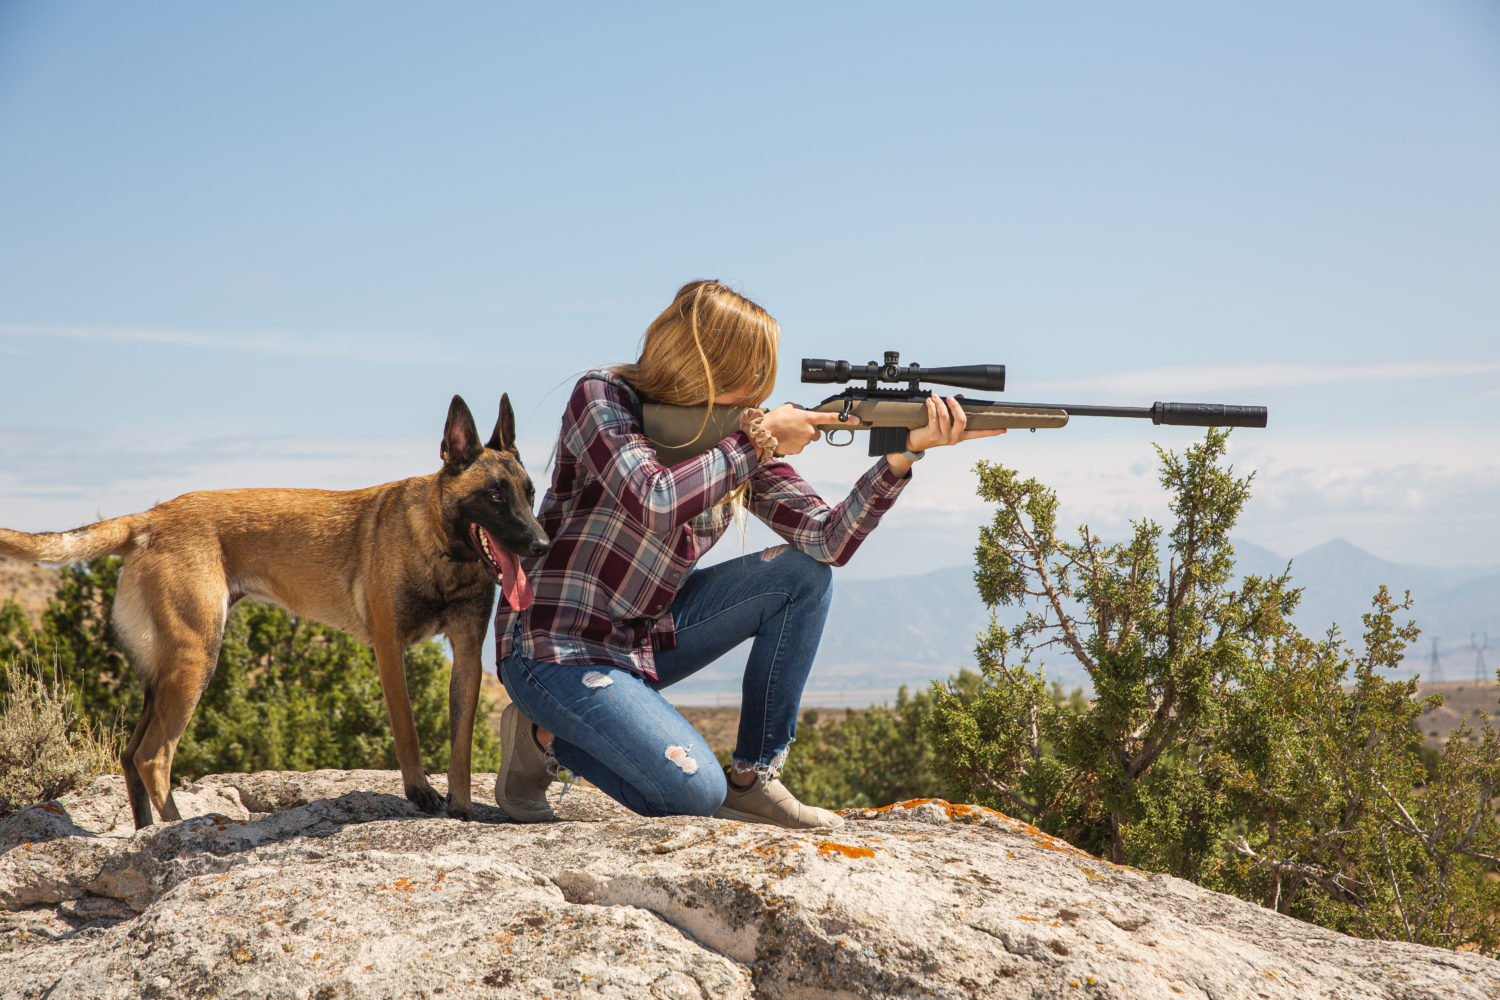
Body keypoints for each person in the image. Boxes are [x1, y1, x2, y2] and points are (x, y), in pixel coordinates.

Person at [493, 279, 1002, 829]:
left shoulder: (740, 438)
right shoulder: (603, 396)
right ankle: (539, 734)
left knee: (802, 574)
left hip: (642, 639)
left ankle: (753, 778)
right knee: (692, 794)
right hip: (553, 644)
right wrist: (755, 443)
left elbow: (827, 541)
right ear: (705, 362)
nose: (761, 389)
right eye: (752, 372)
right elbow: (655, 498)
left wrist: (902, 457)